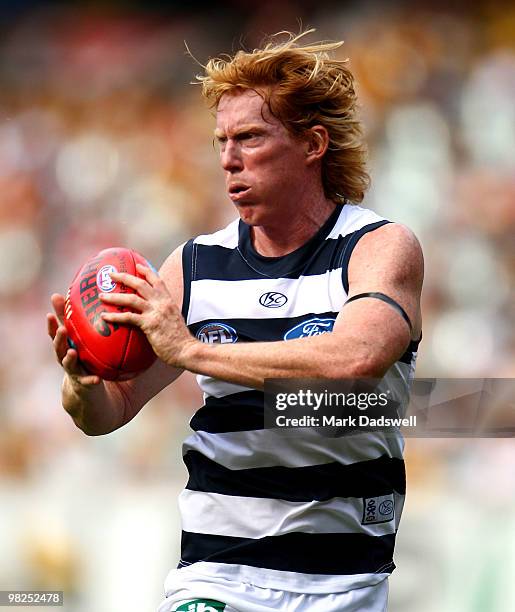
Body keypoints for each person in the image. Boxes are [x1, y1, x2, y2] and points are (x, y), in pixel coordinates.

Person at [47, 31, 423, 612]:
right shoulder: (195, 266)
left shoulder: (378, 247)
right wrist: (83, 381)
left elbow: (355, 360)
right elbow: (108, 414)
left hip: (343, 584)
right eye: (222, 140)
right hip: (215, 577)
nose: (228, 157)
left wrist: (191, 350)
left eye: (249, 137)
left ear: (313, 144)